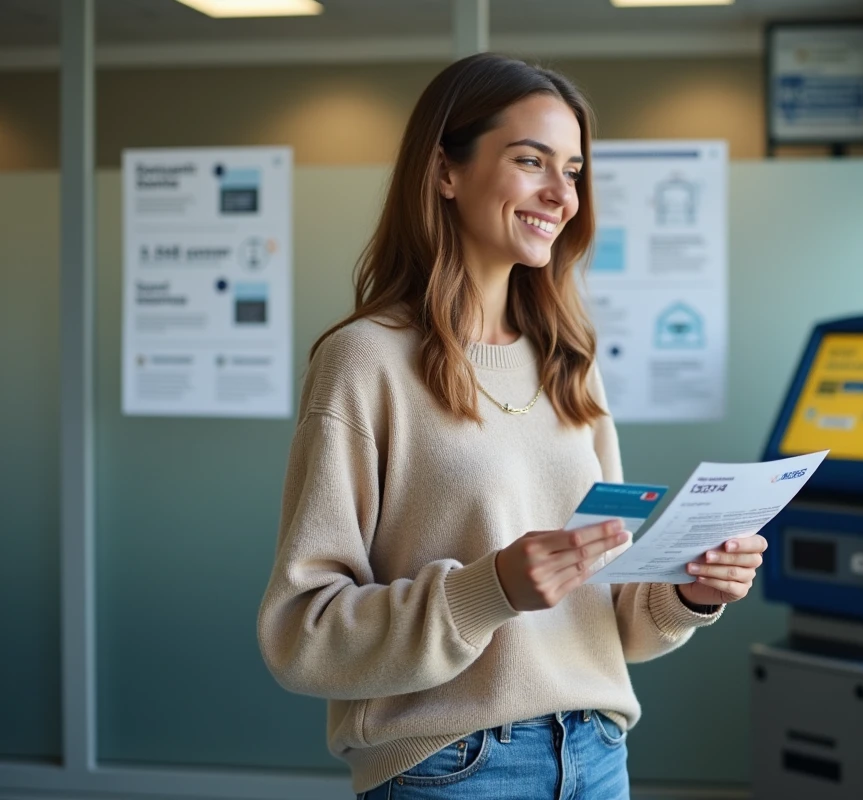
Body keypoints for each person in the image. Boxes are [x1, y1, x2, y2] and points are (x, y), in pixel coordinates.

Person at [256, 52, 768, 800]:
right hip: (450, 767)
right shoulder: (363, 360)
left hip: (596, 754)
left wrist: (692, 592)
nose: (561, 195)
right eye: (532, 161)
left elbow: (613, 613)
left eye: (574, 170)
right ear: (444, 172)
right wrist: (486, 589)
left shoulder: (570, 361)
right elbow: (301, 635)